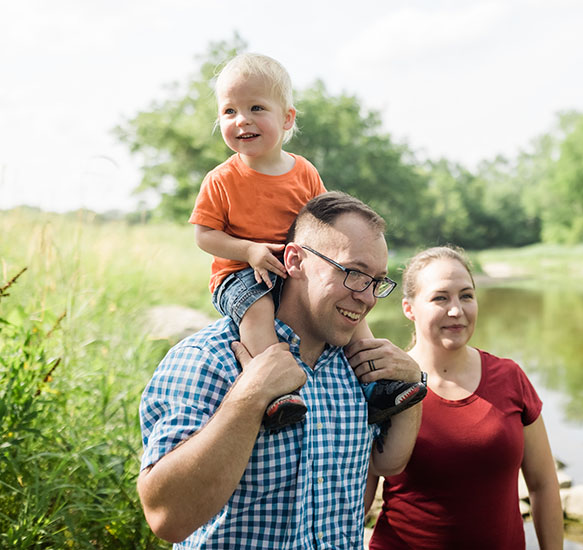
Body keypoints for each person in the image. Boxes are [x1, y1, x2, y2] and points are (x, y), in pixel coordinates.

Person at [138, 192, 424, 548]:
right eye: (353, 273)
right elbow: (167, 517)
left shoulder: (359, 367)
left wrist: (414, 386)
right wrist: (250, 396)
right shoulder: (207, 359)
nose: (366, 297)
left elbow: (386, 465)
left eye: (377, 281)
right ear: (295, 260)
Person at [189, 53, 424, 430]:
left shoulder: (304, 171)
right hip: (242, 272)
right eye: (229, 111)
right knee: (258, 312)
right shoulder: (221, 179)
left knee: (354, 315)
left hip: (297, 266)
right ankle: (275, 392)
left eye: (256, 107)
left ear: (286, 119)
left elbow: (327, 219)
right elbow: (204, 235)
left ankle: (378, 387)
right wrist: (249, 250)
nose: (242, 120)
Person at [367, 246, 564, 550]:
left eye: (466, 296)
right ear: (409, 308)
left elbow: (543, 484)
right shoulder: (385, 386)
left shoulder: (510, 377)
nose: (457, 310)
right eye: (440, 298)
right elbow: (356, 503)